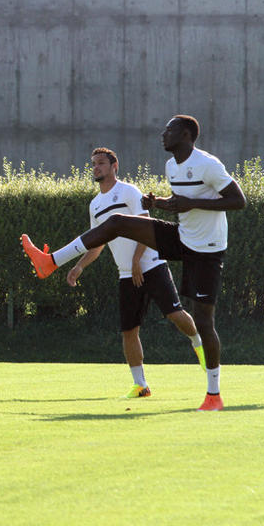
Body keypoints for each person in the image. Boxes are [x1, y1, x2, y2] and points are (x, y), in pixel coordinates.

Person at [22, 115, 246, 411]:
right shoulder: (171, 166)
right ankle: (51, 261)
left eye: (169, 130)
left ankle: (213, 396)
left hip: (207, 250)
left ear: (186, 135)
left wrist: (191, 204)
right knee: (116, 223)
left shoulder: (208, 164)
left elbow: (238, 201)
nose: (163, 134)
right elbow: (179, 204)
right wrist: (160, 203)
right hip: (181, 237)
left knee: (203, 321)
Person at [64, 147, 205, 398]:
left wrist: (138, 260)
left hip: (152, 265)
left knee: (175, 314)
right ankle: (141, 386)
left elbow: (147, 226)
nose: (96, 168)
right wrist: (79, 266)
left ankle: (198, 343)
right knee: (129, 331)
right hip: (126, 275)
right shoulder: (95, 205)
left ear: (114, 166)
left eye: (101, 163)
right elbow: (97, 244)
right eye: (93, 164)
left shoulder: (129, 191)